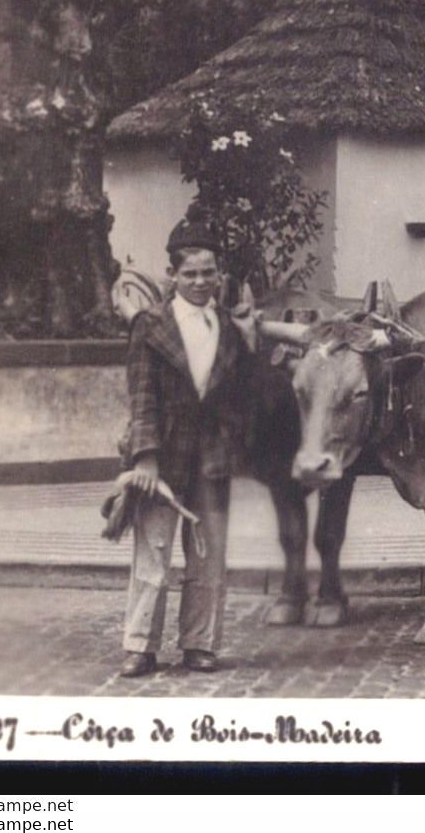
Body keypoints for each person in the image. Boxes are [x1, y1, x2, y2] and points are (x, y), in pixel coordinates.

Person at [116, 218, 255, 679]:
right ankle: (140, 645)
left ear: (219, 275)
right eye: (190, 274)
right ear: (172, 275)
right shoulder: (150, 326)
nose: (200, 282)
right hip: (162, 459)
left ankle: (199, 643)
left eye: (208, 273)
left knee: (209, 556)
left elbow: (239, 393)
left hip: (212, 462)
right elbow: (141, 397)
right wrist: (145, 459)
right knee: (153, 553)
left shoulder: (230, 330)